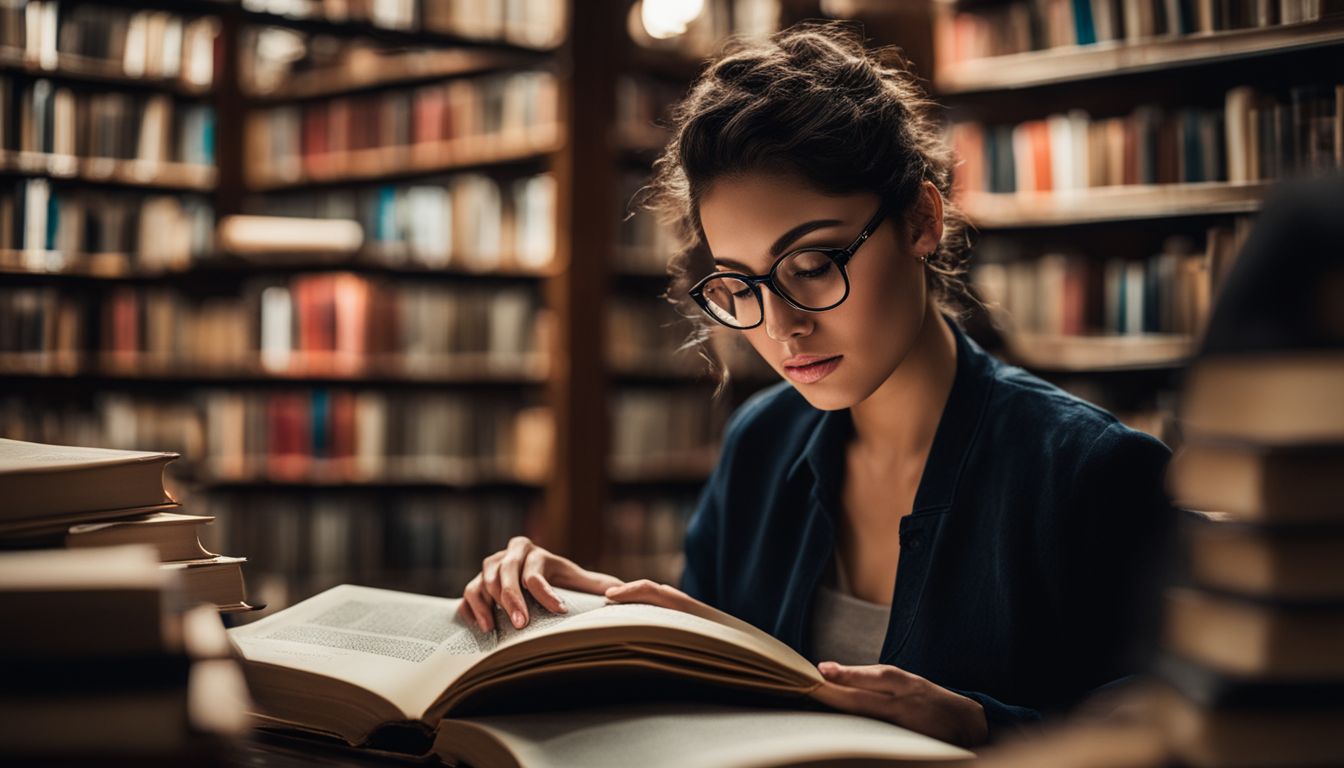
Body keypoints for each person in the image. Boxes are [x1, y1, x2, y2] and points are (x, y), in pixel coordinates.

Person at [457, 22, 1173, 747]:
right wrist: (578, 610)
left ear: (921, 220)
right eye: (739, 284)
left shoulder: (1091, 472)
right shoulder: (759, 446)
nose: (780, 327)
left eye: (811, 264)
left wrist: (984, 727)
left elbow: (1194, 734)